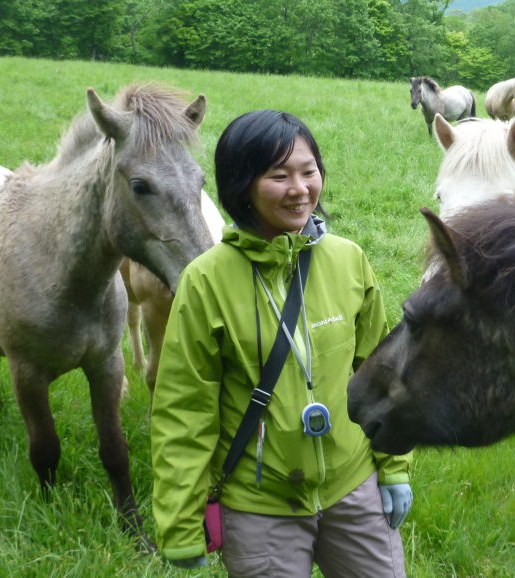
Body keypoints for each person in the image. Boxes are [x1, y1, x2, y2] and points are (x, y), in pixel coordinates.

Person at [150, 109, 413, 576]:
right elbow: (183, 410)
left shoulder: (348, 261)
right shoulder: (206, 282)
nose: (300, 189)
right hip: (258, 506)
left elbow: (383, 374)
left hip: (354, 489)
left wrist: (392, 468)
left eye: (309, 171)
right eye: (278, 175)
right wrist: (179, 521)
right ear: (241, 185)